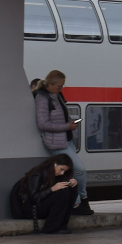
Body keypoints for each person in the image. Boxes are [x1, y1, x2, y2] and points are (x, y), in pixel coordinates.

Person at [32, 70, 92, 217]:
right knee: (79, 170)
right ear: (50, 84)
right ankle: (81, 199)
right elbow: (43, 123)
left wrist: (70, 123)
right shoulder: (42, 98)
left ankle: (77, 203)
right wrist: (66, 126)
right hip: (56, 142)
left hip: (66, 139)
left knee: (70, 172)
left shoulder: (57, 95)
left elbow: (62, 116)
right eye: (59, 86)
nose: (61, 89)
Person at [9, 154, 78, 234]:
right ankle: (51, 227)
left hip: (42, 206)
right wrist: (52, 189)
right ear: (54, 163)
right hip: (31, 208)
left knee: (71, 189)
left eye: (64, 171)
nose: (62, 173)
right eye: (61, 169)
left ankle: (62, 225)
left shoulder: (56, 175)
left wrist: (71, 183)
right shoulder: (38, 173)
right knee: (63, 192)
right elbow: (33, 198)